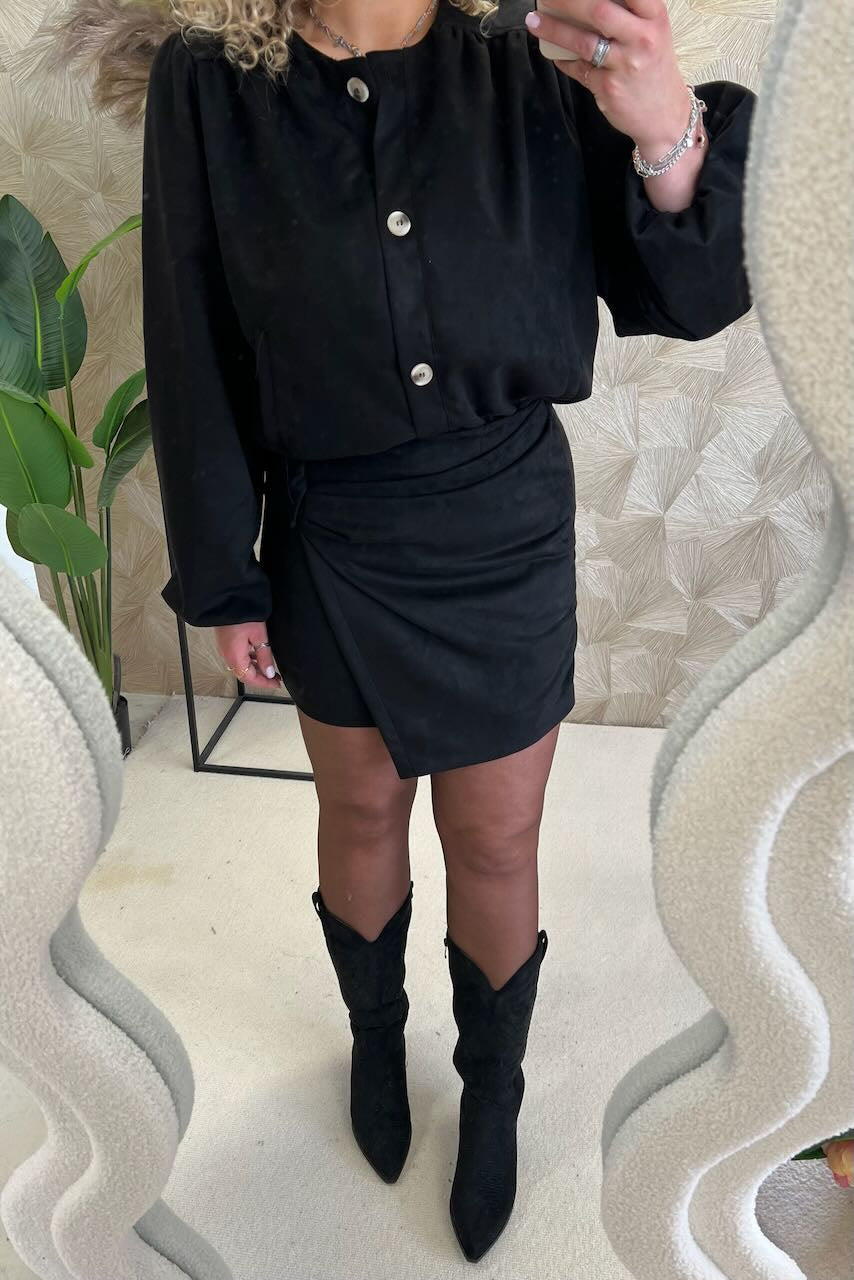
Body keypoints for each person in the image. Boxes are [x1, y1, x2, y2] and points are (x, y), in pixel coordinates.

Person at [63, 0, 756, 1262]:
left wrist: (663, 129)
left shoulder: (533, 63)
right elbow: (191, 332)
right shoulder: (208, 86)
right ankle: (374, 1038)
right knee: (360, 807)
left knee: (493, 836)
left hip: (501, 526)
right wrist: (225, 577)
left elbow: (693, 293)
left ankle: (491, 1090)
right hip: (330, 532)